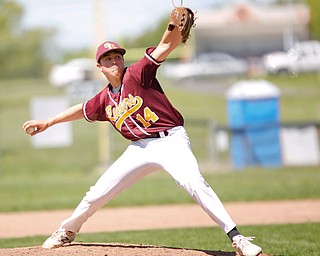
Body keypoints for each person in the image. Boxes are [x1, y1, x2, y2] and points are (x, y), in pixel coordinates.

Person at [22, 9, 262, 256]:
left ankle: (237, 238)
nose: (114, 61)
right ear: (99, 67)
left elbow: (165, 46)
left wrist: (172, 27)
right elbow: (81, 109)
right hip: (139, 148)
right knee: (97, 193)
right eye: (108, 59)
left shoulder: (137, 74)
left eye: (117, 56)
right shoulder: (104, 98)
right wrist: (48, 122)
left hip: (171, 140)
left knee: (193, 182)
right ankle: (67, 230)